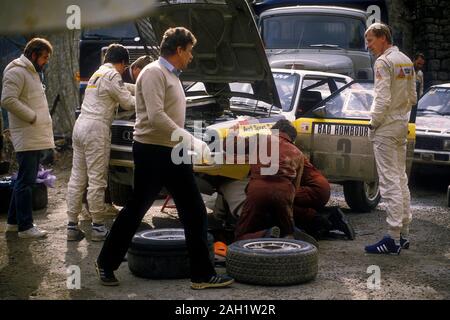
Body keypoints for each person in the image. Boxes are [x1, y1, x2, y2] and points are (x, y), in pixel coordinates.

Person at [96, 27, 234, 289]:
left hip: (172, 150)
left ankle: (202, 275)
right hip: (151, 151)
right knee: (136, 209)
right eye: (190, 51)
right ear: (179, 50)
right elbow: (157, 116)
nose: (191, 56)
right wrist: (191, 139)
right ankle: (106, 262)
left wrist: (189, 142)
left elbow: (171, 116)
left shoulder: (171, 75)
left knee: (194, 211)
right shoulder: (153, 73)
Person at [66, 44, 135, 242]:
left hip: (80, 127)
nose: (123, 71)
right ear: (122, 63)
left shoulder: (98, 73)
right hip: (96, 130)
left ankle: (72, 225)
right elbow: (127, 102)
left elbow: (122, 87)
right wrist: (148, 98)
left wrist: (140, 87)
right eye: (124, 67)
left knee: (77, 176)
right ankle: (97, 226)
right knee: (97, 179)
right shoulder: (113, 75)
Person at [364, 23, 417, 254]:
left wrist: (373, 123)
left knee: (389, 182)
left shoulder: (383, 62)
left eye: (371, 40)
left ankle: (393, 238)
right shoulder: (405, 60)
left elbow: (382, 99)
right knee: (400, 179)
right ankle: (403, 233)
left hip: (386, 127)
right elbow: (413, 97)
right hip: (401, 124)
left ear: (383, 38)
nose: (368, 45)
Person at [1, 38, 54, 239]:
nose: (45, 61)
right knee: (26, 181)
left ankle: (13, 223)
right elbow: (7, 100)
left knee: (24, 179)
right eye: (44, 57)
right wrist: (32, 117)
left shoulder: (31, 72)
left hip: (33, 134)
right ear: (33, 55)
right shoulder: (16, 71)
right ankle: (25, 226)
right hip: (27, 134)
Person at [234, 119, 305, 241]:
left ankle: (264, 234)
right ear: (292, 139)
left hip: (258, 190)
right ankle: (292, 234)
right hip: (284, 193)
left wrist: (234, 133)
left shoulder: (261, 139)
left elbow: (232, 147)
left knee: (240, 236)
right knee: (286, 232)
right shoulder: (298, 154)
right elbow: (296, 187)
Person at [293, 157, 355, 240]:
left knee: (280, 202)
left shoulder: (280, 150)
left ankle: (325, 219)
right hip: (320, 185)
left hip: (314, 188)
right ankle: (328, 217)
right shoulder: (285, 148)